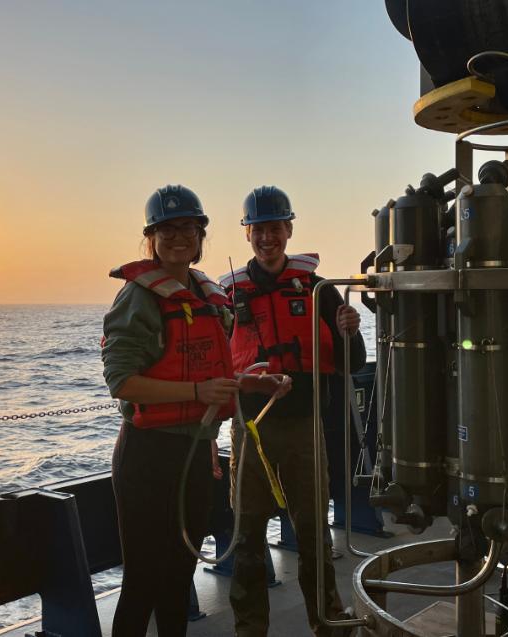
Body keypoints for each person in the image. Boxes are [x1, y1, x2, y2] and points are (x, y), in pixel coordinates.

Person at [102, 184, 289, 637]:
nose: (179, 236)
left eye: (188, 226)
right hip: (147, 457)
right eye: (167, 229)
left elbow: (211, 377)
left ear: (202, 234)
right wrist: (197, 391)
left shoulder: (205, 296)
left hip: (196, 454)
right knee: (143, 581)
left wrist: (253, 382)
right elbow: (121, 381)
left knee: (179, 575)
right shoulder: (138, 297)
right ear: (151, 238)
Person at [221, 186, 366, 637]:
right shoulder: (229, 296)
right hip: (251, 434)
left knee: (313, 537)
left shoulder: (319, 291)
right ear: (247, 234)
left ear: (289, 229)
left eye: (275, 228)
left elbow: (354, 362)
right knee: (247, 539)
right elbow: (215, 366)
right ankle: (250, 629)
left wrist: (349, 330)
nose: (268, 238)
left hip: (305, 427)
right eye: (258, 229)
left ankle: (327, 621)